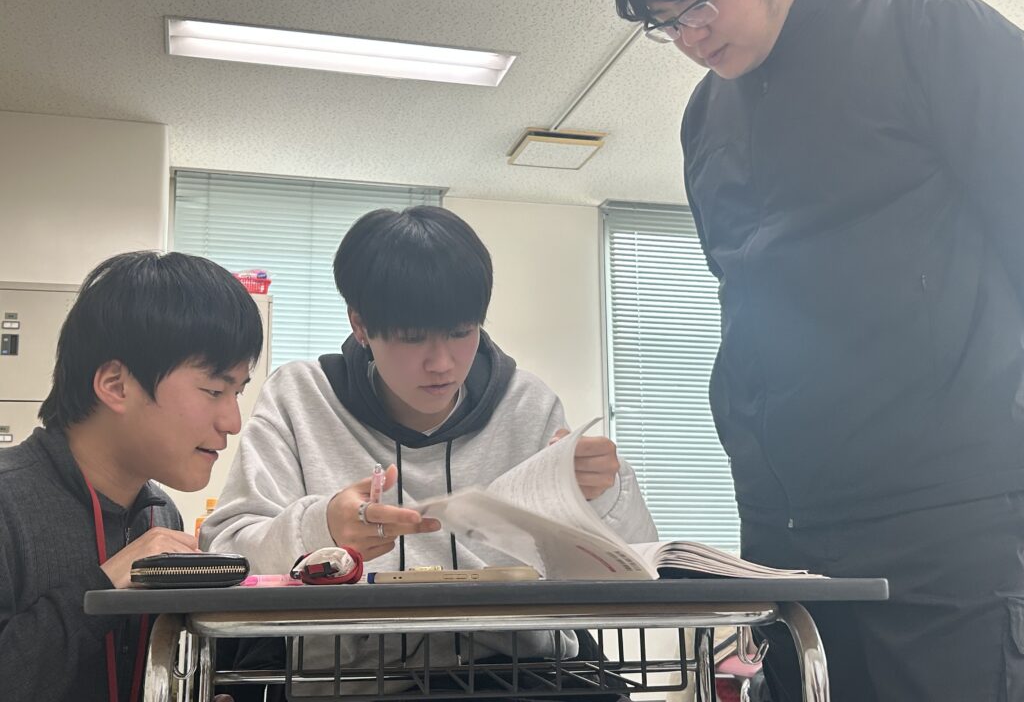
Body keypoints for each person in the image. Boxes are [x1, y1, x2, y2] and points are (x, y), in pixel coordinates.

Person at [608, 0, 1024, 700]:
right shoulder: (706, 118)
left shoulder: (920, 25)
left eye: (700, 3)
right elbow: (743, 300)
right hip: (783, 536)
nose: (691, 39)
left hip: (943, 524)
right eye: (665, 24)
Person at [201, 205, 658, 697]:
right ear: (360, 325)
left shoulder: (528, 403)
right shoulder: (300, 397)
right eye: (412, 338)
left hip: (523, 677)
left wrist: (600, 496)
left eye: (461, 332)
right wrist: (322, 529)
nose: (442, 363)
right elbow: (225, 553)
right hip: (348, 684)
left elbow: (637, 567)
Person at [0, 251, 264, 702]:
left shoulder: (160, 515)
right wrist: (105, 585)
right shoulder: (8, 505)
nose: (232, 422)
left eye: (236, 393)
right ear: (116, 385)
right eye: (214, 390)